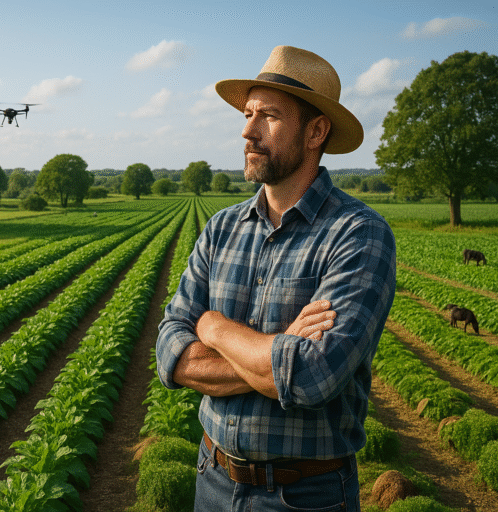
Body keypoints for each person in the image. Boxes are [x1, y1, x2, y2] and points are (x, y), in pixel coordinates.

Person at [156, 45, 396, 511]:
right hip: (211, 478)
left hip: (304, 495)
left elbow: (311, 377)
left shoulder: (359, 234)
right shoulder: (221, 228)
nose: (248, 130)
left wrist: (214, 328)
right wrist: (277, 355)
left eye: (268, 116)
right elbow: (171, 353)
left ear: (316, 131)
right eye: (248, 114)